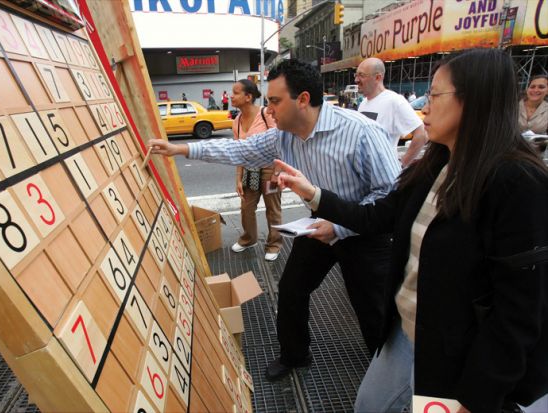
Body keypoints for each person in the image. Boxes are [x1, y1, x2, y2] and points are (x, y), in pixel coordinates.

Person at [274, 49, 548, 413]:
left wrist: (475, 396)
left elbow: (519, 310)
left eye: (435, 95)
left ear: (475, 100)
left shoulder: (517, 182)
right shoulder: (436, 164)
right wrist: (313, 195)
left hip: (456, 350)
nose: (424, 109)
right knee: (369, 406)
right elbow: (377, 217)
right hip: (406, 332)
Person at [149, 59, 400, 380]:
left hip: (364, 233)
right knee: (292, 288)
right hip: (318, 225)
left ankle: (384, 377)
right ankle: (294, 355)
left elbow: (390, 196)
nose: (268, 111)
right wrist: (181, 149)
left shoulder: (361, 132)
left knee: (371, 308)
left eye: (275, 101)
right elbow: (240, 150)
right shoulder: (284, 135)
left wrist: (338, 226)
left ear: (304, 100)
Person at [230, 79, 282, 261]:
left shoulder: (265, 114)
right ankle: (248, 239)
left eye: (236, 92)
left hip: (269, 170)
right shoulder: (236, 121)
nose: (231, 96)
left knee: (272, 209)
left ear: (248, 97)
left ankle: (274, 244)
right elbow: (238, 152)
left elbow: (280, 143)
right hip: (249, 171)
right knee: (246, 207)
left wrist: (277, 172)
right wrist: (238, 178)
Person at [356, 57, 428, 167]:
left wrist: (401, 165)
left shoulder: (395, 101)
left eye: (361, 75)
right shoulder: (363, 103)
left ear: (378, 77)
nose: (356, 80)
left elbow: (421, 134)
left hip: (383, 178)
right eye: (356, 75)